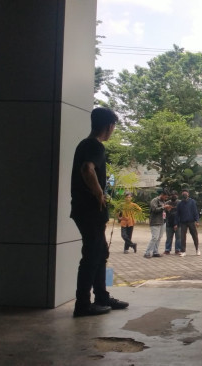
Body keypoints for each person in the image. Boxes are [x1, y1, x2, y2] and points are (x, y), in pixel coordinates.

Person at [70, 107, 128, 317]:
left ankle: (102, 297)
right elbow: (88, 169)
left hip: (84, 211)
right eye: (113, 127)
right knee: (92, 256)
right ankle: (83, 304)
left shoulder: (85, 144)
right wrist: (98, 194)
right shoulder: (95, 146)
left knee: (100, 253)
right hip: (89, 211)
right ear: (109, 126)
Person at [144, 190, 170, 258]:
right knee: (155, 237)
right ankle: (147, 252)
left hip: (162, 221)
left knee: (159, 238)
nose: (166, 198)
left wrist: (167, 209)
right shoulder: (154, 200)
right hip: (155, 221)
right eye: (165, 197)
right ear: (162, 194)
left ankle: (155, 251)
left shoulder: (163, 201)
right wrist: (163, 207)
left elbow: (163, 211)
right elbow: (154, 209)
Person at [176, 189, 200, 257]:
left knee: (195, 236)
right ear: (182, 194)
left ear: (188, 194)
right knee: (182, 237)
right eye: (183, 193)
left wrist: (197, 221)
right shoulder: (180, 203)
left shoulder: (192, 202)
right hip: (183, 222)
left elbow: (195, 212)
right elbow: (177, 214)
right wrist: (176, 223)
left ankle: (197, 249)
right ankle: (183, 251)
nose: (184, 194)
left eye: (186, 193)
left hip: (191, 222)